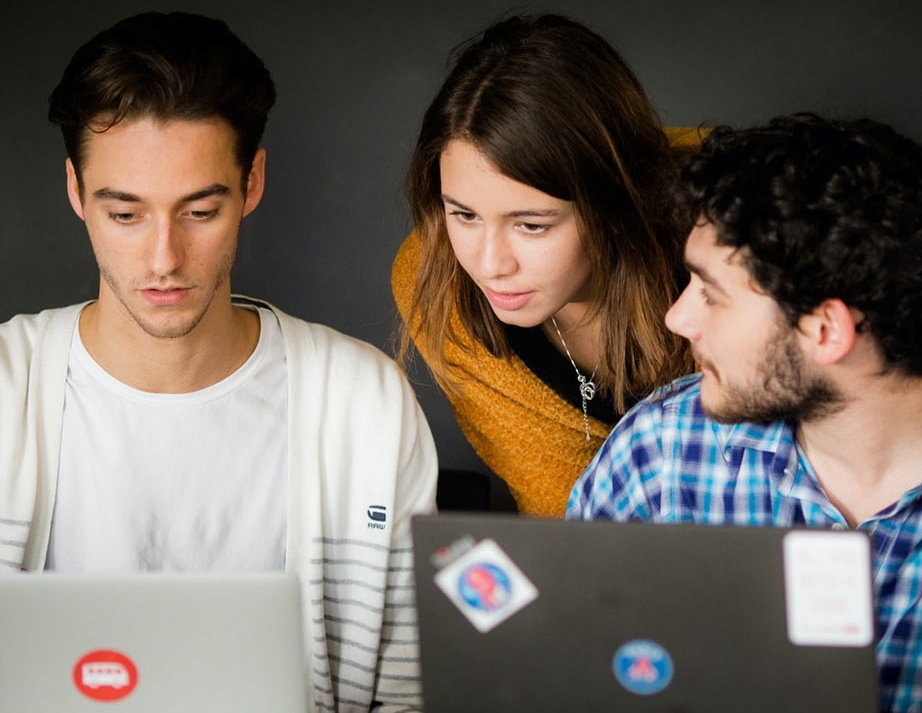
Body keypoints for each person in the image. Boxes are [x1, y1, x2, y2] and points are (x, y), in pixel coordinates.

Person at [0, 12, 436, 713]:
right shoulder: (5, 388)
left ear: (252, 182)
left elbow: (409, 693)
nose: (164, 258)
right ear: (77, 191)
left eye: (200, 211)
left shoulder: (366, 406)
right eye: (125, 214)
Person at [567, 112, 922, 711]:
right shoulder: (657, 454)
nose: (678, 319)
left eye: (710, 295)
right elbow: (565, 668)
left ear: (825, 330)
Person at [392, 13, 696, 516]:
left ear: (614, 200)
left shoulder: (731, 230)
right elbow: (563, 518)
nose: (490, 265)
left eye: (532, 225)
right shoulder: (436, 278)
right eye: (463, 215)